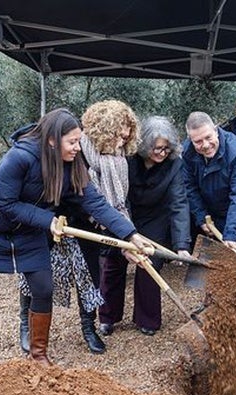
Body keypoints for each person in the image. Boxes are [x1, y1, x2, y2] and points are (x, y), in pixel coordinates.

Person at [0, 108, 148, 384]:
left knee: (43, 288)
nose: (78, 148)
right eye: (73, 142)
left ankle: (38, 355)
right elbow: (6, 204)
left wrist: (131, 235)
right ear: (52, 140)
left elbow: (95, 203)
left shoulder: (73, 164)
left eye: (79, 141)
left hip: (29, 233)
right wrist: (48, 219)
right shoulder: (19, 157)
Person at [75, 100, 142, 338]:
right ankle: (90, 322)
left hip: (113, 218)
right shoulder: (79, 153)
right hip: (83, 223)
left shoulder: (118, 156)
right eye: (120, 128)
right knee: (92, 274)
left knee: (112, 268)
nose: (125, 134)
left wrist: (127, 232)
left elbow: (118, 198)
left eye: (128, 129)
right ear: (102, 128)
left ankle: (101, 321)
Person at [119, 116, 191, 335]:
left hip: (156, 218)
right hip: (126, 213)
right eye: (157, 149)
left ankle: (147, 320)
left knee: (149, 265)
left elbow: (179, 203)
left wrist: (181, 244)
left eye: (166, 149)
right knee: (112, 263)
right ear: (145, 145)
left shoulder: (175, 164)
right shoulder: (128, 158)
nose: (162, 153)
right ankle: (107, 317)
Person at [183, 111, 236, 266]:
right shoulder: (187, 152)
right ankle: (211, 289)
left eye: (208, 137)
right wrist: (201, 217)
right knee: (211, 266)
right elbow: (189, 187)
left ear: (216, 130)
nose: (205, 145)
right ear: (190, 139)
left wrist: (231, 234)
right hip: (211, 210)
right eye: (198, 141)